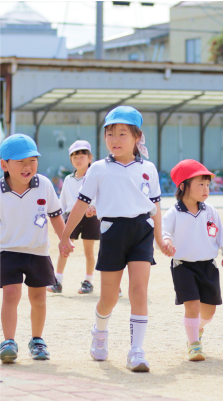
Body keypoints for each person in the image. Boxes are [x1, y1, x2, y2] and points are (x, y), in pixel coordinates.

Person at [58, 106, 172, 372]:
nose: (115, 140)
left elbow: (155, 207)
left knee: (138, 291)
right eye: (110, 134)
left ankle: (137, 351)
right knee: (108, 296)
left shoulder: (149, 169)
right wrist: (64, 235)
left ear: (137, 137)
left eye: (122, 133)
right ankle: (99, 330)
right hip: (111, 232)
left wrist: (160, 238)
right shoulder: (98, 168)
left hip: (141, 231)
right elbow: (79, 204)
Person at [162, 159, 223, 361]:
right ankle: (194, 345)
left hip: (208, 266)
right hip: (183, 266)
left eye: (207, 185)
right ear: (183, 186)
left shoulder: (210, 211)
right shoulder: (174, 213)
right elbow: (163, 231)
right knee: (192, 306)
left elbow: (222, 236)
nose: (206, 189)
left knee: (209, 312)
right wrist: (167, 241)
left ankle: (197, 329)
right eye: (200, 184)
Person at [0, 134, 65, 362]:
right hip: (7, 250)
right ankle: (8, 341)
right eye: (20, 162)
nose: (28, 166)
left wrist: (64, 239)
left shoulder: (44, 185)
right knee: (10, 294)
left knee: (38, 297)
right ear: (4, 165)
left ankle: (37, 340)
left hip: (38, 251)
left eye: (32, 160)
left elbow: (55, 215)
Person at [47, 140, 101, 295]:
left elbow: (100, 196)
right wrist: (61, 217)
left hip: (90, 217)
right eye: (74, 156)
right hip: (71, 217)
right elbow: (62, 202)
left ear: (90, 158)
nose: (78, 159)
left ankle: (88, 282)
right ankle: (57, 281)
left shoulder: (94, 177)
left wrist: (94, 208)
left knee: (88, 251)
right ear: (70, 160)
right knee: (64, 249)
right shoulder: (68, 180)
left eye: (82, 155)